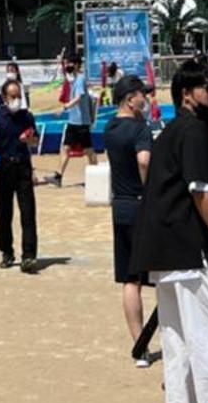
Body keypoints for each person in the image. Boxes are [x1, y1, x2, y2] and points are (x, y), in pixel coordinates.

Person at [128, 60, 208, 403]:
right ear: (186, 94)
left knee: (179, 353)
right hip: (193, 257)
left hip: (165, 256)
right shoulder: (194, 131)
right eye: (205, 86)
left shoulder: (171, 132)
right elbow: (199, 190)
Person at [103, 74, 155, 359]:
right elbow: (144, 160)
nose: (145, 99)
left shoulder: (110, 128)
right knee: (160, 275)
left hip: (120, 205)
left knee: (129, 279)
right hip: (140, 205)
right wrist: (150, 189)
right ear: (129, 98)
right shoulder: (140, 129)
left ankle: (139, 345)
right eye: (141, 94)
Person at [0, 74, 39, 272]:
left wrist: (30, 139)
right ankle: (7, 252)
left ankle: (29, 255)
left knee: (28, 213)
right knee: (4, 212)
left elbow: (35, 141)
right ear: (4, 98)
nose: (16, 100)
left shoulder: (27, 116)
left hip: (23, 166)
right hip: (5, 167)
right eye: (12, 96)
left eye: (19, 96)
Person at [53, 53, 95, 185]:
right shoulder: (74, 79)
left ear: (76, 65)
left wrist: (64, 108)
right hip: (73, 121)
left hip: (81, 122)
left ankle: (98, 175)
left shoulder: (81, 79)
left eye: (69, 64)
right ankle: (58, 176)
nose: (67, 66)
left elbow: (78, 98)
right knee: (66, 148)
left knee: (88, 150)